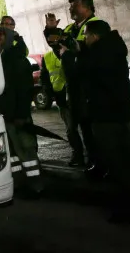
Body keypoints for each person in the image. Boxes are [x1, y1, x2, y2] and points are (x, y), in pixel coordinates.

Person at [77, 20, 130, 224]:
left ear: (95, 36)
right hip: (120, 115)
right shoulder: (114, 49)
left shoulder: (98, 55)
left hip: (106, 117)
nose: (85, 40)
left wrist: (79, 54)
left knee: (117, 164)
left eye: (87, 36)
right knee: (129, 163)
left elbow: (84, 72)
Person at [45, 0, 101, 173]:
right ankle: (92, 161)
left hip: (90, 86)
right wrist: (51, 29)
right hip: (75, 87)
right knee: (82, 126)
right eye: (70, 6)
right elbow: (57, 45)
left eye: (74, 6)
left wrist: (69, 48)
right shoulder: (70, 28)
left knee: (94, 128)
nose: (70, 9)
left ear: (87, 8)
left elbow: (82, 50)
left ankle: (101, 162)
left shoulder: (97, 24)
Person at [0, 27, 43, 198]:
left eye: (1, 35)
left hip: (18, 116)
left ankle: (36, 185)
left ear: (8, 38)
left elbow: (24, 89)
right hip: (4, 115)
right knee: (12, 153)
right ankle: (20, 184)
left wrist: (22, 114)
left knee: (26, 150)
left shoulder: (16, 59)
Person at [39, 27, 84, 166]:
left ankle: (95, 157)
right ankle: (78, 155)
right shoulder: (47, 57)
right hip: (62, 100)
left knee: (87, 129)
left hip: (78, 97)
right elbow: (45, 78)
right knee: (71, 130)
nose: (51, 40)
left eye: (54, 37)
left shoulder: (73, 51)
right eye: (49, 38)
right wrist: (50, 93)